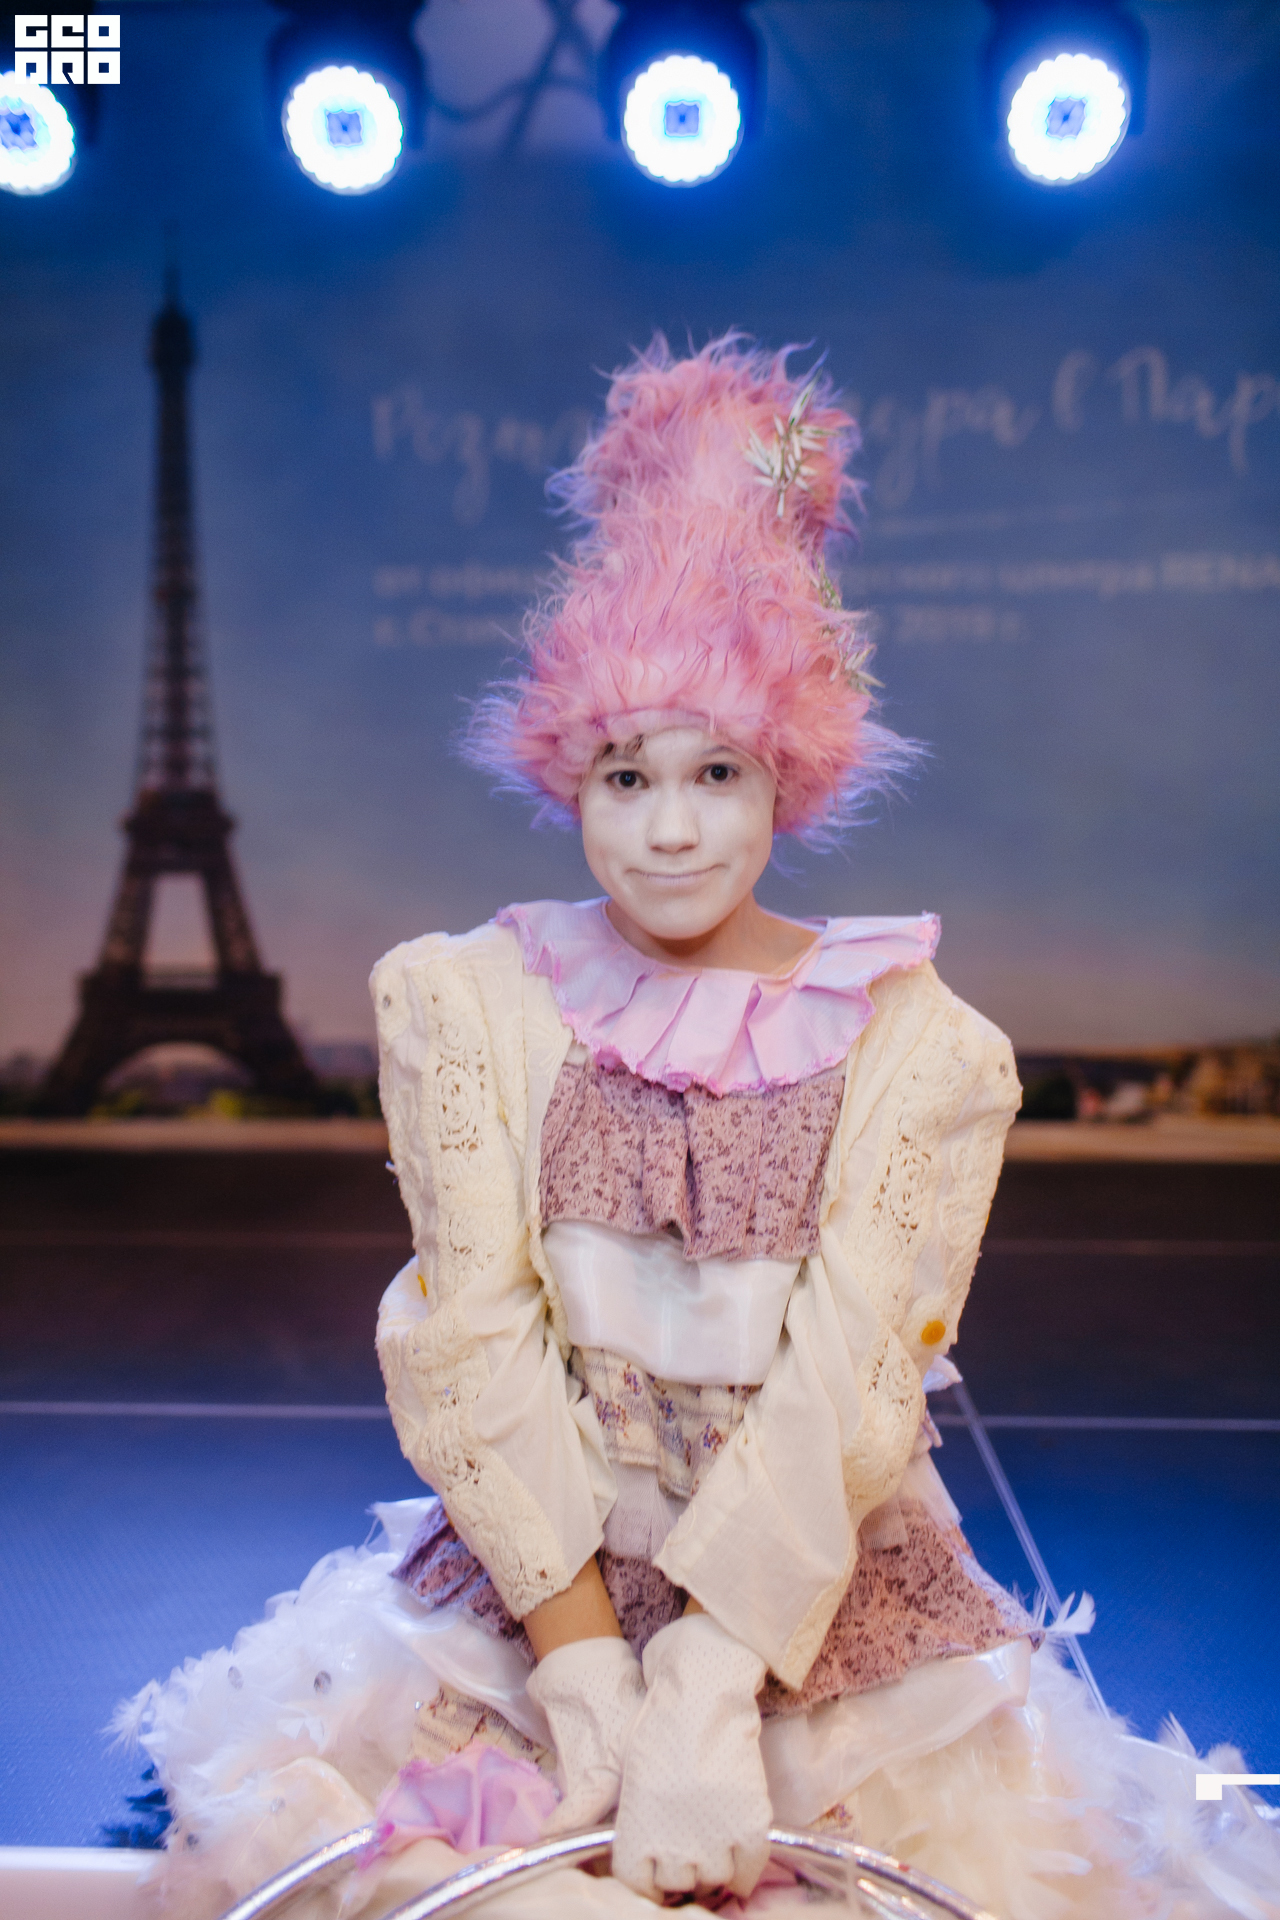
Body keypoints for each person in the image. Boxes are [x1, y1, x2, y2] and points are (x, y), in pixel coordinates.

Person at [117, 338, 1279, 1920]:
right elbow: (472, 1342)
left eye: (717, 771)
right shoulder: (465, 1004)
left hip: (805, 1606)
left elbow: (848, 1392)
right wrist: (592, 1672)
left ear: (784, 778)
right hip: (545, 1589)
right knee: (406, 1872)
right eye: (624, 774)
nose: (668, 828)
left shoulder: (922, 1048)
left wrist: (706, 1689)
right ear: (569, 780)